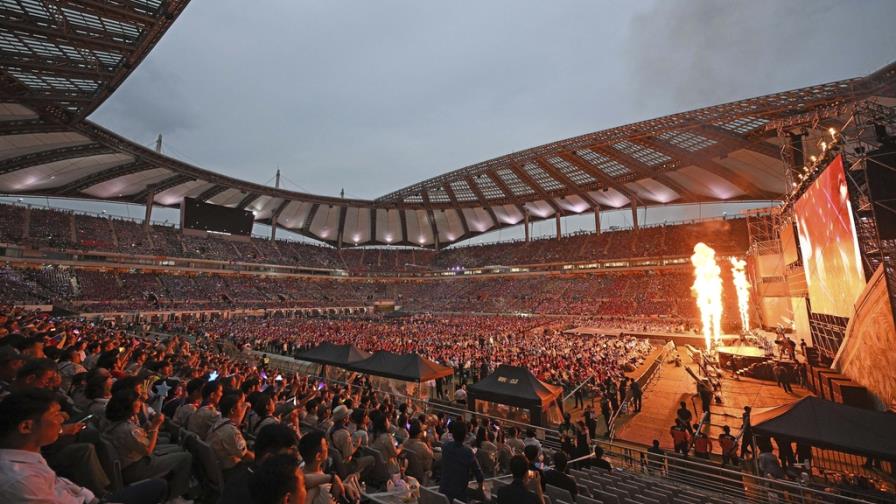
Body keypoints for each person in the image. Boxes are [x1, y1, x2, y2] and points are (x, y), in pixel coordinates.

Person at [0, 387, 167, 504]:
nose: (63, 418)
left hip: (87, 498)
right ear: (26, 427)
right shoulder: (22, 483)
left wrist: (90, 497)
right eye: (55, 415)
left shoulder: (26, 454)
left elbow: (60, 483)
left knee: (157, 486)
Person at [104, 389, 193, 501]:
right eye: (137, 401)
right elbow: (148, 449)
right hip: (135, 467)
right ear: (128, 405)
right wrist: (155, 426)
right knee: (186, 457)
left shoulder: (115, 422)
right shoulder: (127, 429)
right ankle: (171, 495)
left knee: (179, 450)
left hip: (130, 462)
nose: (140, 403)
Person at [218, 422, 300, 504]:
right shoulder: (266, 493)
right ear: (269, 458)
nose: (291, 464)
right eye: (287, 459)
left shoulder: (241, 477)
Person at [206, 392, 254, 479]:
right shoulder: (232, 431)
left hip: (214, 467)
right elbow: (246, 456)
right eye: (240, 406)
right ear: (232, 410)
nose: (243, 408)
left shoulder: (217, 423)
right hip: (228, 472)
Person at [438, 420, 483, 503]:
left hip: (443, 490)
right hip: (459, 495)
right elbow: (479, 475)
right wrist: (480, 489)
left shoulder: (445, 447)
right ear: (465, 435)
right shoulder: (468, 452)